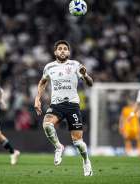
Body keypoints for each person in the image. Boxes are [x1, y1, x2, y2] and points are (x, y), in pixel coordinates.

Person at [34, 40, 94, 176]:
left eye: (65, 49)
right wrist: (37, 98)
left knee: (78, 142)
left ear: (68, 52)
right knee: (47, 125)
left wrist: (84, 74)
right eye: (59, 49)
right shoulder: (49, 67)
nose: (62, 51)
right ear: (55, 52)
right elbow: (42, 82)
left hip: (72, 106)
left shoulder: (75, 65)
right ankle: (58, 147)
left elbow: (90, 84)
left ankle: (86, 161)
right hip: (56, 105)